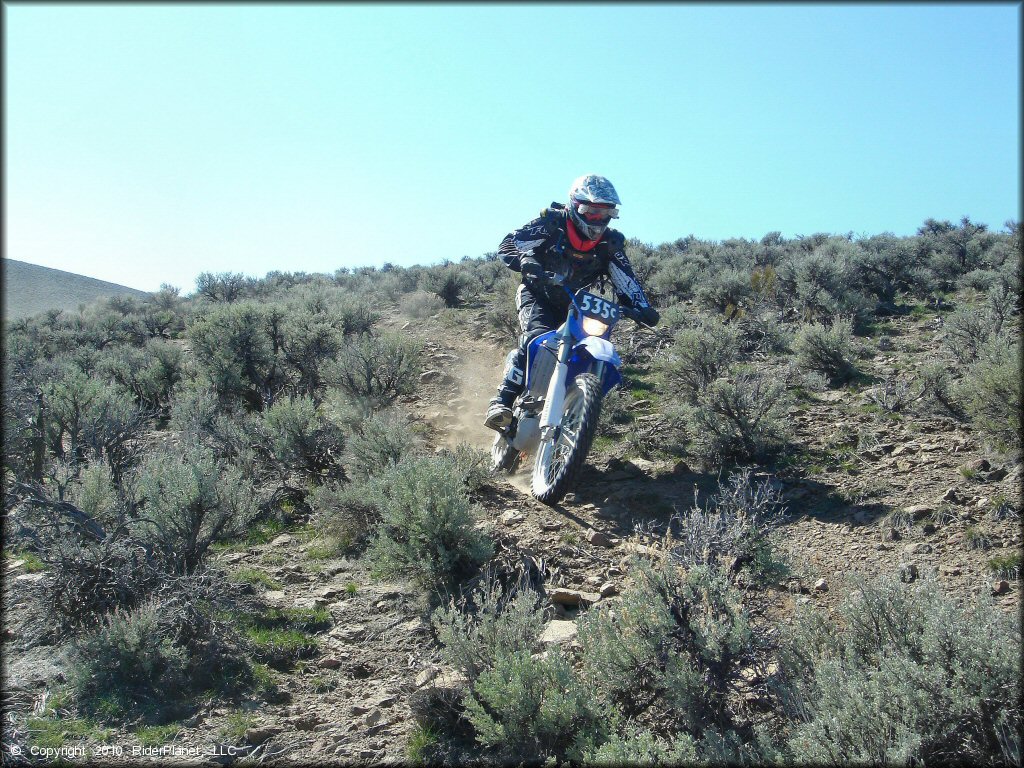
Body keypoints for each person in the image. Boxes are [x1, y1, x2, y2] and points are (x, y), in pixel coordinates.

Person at [484, 174, 660, 431]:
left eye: (604, 213)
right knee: (536, 336)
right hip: (537, 294)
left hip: (576, 305)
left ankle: (575, 415)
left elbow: (626, 279)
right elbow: (510, 243)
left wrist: (642, 307)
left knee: (587, 350)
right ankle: (501, 401)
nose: (597, 219)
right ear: (575, 206)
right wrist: (524, 260)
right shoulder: (552, 223)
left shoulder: (609, 244)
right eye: (590, 211)